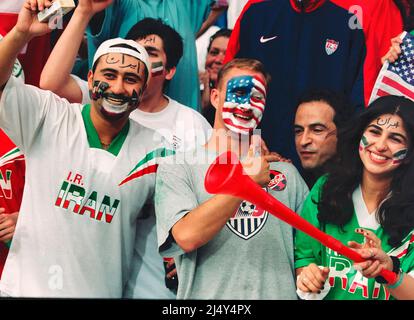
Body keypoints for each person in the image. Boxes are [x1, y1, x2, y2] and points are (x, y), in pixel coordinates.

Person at [40, 1, 212, 299]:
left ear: (169, 70)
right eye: (134, 49)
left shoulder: (191, 125)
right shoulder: (98, 102)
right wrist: (83, 12)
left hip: (153, 277)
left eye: (151, 54)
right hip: (90, 264)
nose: (138, 59)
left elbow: (208, 191)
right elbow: (51, 83)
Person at [0, 1, 171, 297]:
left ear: (143, 91)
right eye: (108, 75)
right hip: (25, 290)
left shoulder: (157, 151)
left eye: (130, 79)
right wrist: (20, 34)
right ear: (90, 79)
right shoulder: (49, 116)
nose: (117, 88)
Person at [155, 58, 309, 299]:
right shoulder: (178, 167)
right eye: (238, 92)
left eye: (257, 98)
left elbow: (308, 257)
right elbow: (186, 237)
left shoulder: (286, 174)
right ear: (215, 97)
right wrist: (245, 184)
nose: (247, 105)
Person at [225, 0, 404, 166]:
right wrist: (247, 136)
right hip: (259, 152)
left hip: (321, 163)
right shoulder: (257, 15)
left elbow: (355, 103)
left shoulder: (347, 24)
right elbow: (231, 87)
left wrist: (344, 160)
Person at [295, 95, 414, 300]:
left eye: (395, 138)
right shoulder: (326, 187)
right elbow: (304, 258)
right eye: (375, 132)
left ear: (410, 154)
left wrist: (389, 273)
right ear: (360, 135)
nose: (380, 145)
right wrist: (308, 277)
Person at [86, 0, 227, 110]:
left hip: (185, 132)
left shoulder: (184, 4)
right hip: (126, 128)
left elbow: (221, 5)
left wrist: (188, 36)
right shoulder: (119, 5)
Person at [294, 90, 352, 187]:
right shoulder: (293, 179)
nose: (303, 142)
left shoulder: (358, 187)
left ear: (341, 133)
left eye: (317, 130)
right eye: (298, 131)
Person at [199, 28, 232, 126]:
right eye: (214, 52)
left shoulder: (242, 107)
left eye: (226, 54)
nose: (218, 60)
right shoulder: (192, 96)